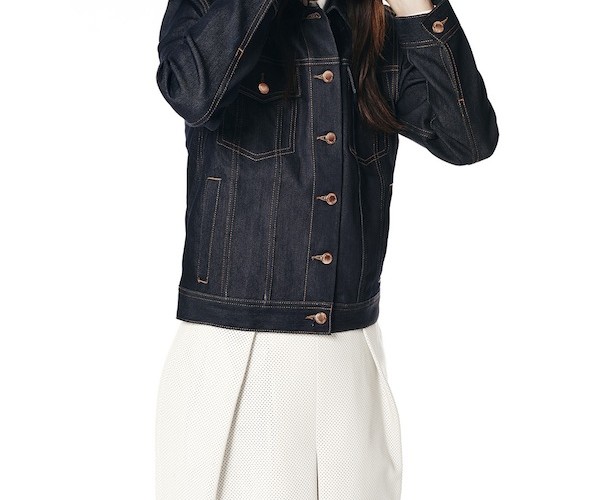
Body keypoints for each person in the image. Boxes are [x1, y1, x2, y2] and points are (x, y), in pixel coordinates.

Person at [154, 0, 499, 498]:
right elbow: (189, 90)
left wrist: (416, 8)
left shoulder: (373, 26)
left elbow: (468, 139)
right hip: (233, 350)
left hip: (349, 356)